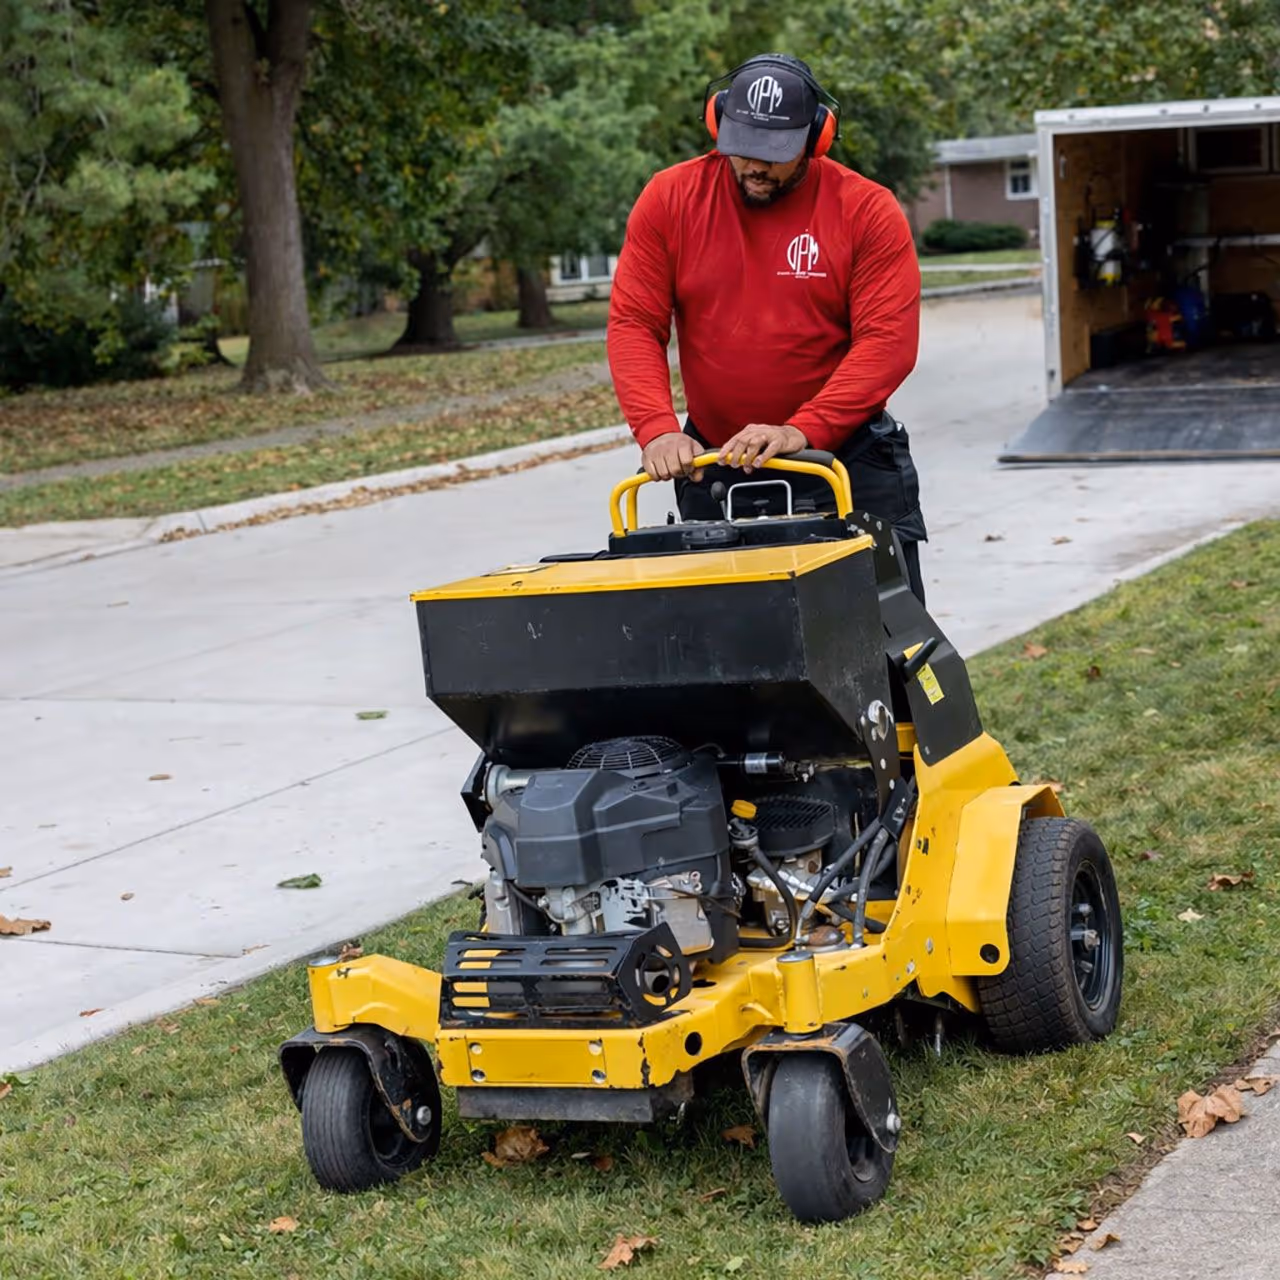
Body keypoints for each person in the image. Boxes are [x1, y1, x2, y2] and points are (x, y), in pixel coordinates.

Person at [606, 52, 927, 600]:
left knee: (887, 651)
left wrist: (801, 430)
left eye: (775, 153)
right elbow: (635, 322)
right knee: (727, 653)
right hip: (718, 463)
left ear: (817, 137)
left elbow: (887, 343)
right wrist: (657, 427)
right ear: (717, 122)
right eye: (742, 146)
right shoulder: (670, 199)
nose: (755, 164)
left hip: (843, 460)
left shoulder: (867, 210)